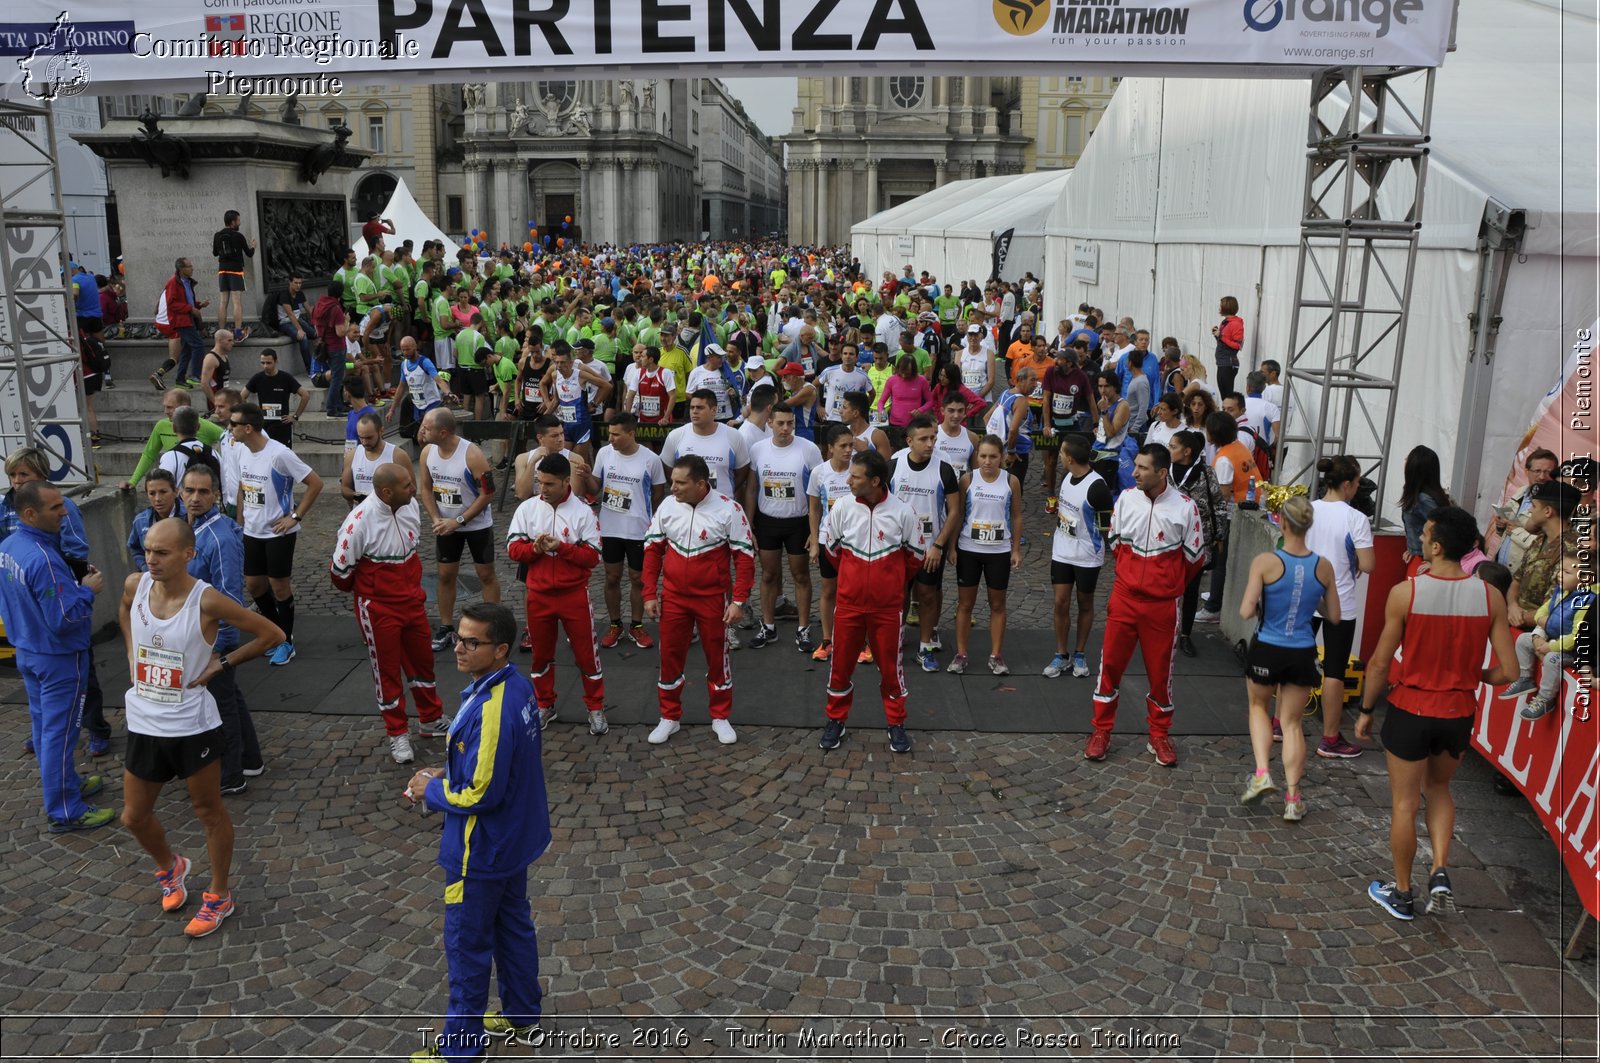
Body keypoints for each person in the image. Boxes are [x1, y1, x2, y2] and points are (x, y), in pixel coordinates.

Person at [118, 517, 283, 937]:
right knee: (134, 817)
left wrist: (222, 664)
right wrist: (132, 658)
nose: (151, 559)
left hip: (192, 725)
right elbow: (124, 612)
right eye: (149, 550)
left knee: (208, 812)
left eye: (162, 552)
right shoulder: (135, 586)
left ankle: (219, 896)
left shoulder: (206, 601)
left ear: (188, 555)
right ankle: (170, 867)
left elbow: (271, 633)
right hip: (144, 721)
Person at [405, 602, 550, 1063]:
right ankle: (523, 1014)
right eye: (458, 638)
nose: (459, 648)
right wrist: (446, 772)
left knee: (467, 948)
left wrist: (431, 792)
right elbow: (488, 767)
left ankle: (461, 1051)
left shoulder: (491, 707)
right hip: (514, 841)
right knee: (513, 929)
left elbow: (481, 793)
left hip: (480, 850)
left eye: (472, 642)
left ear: (500, 648)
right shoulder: (517, 686)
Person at [1358, 505, 1518, 921]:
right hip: (1457, 711)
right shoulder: (1490, 596)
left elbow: (1378, 664)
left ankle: (1404, 892)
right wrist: (1474, 673)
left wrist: (1366, 709)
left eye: (1426, 534)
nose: (1421, 539)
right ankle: (1441, 869)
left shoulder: (1407, 592)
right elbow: (1510, 672)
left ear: (1438, 545)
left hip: (1411, 709)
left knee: (1405, 804)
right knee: (1441, 790)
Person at [0, 481, 113, 831]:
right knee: (59, 735)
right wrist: (86, 590)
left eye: (62, 504)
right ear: (30, 514)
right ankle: (66, 810)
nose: (64, 512)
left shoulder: (8, 546)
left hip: (30, 653)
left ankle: (66, 786)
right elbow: (64, 619)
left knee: (45, 729)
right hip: (59, 658)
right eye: (55, 508)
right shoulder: (43, 559)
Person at [1088, 444, 1206, 767]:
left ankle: (1159, 735)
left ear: (1162, 472)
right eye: (1136, 466)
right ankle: (1100, 731)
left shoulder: (1186, 508)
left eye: (1142, 468)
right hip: (1124, 600)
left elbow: (1195, 561)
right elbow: (1115, 543)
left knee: (1160, 675)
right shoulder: (1125, 499)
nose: (1134, 472)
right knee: (1109, 668)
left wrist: (1166, 584)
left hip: (1162, 608)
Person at [331, 462, 452, 764]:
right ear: (387, 492)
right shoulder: (357, 522)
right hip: (379, 609)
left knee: (423, 661)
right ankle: (397, 733)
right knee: (387, 672)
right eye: (408, 485)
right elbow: (340, 573)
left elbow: (410, 550)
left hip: (412, 602)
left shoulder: (410, 506)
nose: (415, 490)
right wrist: (371, 594)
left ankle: (430, 718)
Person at [816, 449, 927, 754]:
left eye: (855, 475)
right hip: (849, 605)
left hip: (887, 608)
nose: (848, 480)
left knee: (891, 670)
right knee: (839, 668)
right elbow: (832, 550)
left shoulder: (903, 512)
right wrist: (856, 579)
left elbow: (915, 557)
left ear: (875, 481)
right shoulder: (842, 507)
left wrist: (886, 581)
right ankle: (835, 720)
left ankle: (896, 723)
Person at [1237, 497, 1340, 820]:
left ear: (1282, 523)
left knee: (1258, 707)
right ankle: (1293, 798)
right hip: (1302, 649)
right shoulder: (1323, 566)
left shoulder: (1266, 562)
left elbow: (1245, 609)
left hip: (1268, 645)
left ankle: (1262, 773)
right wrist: (1311, 596)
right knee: (1293, 723)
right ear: (1308, 527)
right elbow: (1334, 615)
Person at [641, 455, 755, 746]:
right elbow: (653, 550)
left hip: (713, 599)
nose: (673, 488)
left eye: (680, 483)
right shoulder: (668, 506)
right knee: (670, 656)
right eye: (672, 482)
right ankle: (669, 716)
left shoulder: (730, 509)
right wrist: (649, 594)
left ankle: (720, 716)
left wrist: (738, 601)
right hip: (675, 598)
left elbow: (744, 558)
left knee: (718, 656)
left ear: (701, 484)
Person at [506, 453, 607, 735]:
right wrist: (535, 549)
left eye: (549, 484)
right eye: (540, 483)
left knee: (587, 656)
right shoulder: (527, 509)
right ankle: (544, 704)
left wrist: (560, 548)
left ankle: (595, 708)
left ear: (566, 482)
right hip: (538, 596)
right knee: (540, 656)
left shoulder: (584, 512)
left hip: (573, 595)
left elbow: (593, 557)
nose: (543, 489)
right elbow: (513, 549)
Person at [180, 464, 263, 795]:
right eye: (189, 490)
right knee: (230, 698)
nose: (195, 498)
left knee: (220, 704)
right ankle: (249, 759)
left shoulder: (219, 538)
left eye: (203, 491)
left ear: (216, 495)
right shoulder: (193, 527)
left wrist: (222, 647)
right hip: (202, 636)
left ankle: (230, 776)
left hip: (213, 640)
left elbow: (230, 599)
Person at [230, 401, 324, 666]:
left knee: (279, 586)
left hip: (278, 532)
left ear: (248, 428)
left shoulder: (279, 454)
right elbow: (242, 487)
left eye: (234, 424)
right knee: (254, 585)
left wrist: (294, 517)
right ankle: (275, 632)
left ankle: (286, 641)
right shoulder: (241, 451)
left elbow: (315, 483)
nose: (230, 429)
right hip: (252, 531)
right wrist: (240, 520)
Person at [1304, 455, 1376, 759]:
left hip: (1305, 595)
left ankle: (1280, 723)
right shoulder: (1355, 518)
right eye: (1358, 482)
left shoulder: (1306, 509)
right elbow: (1370, 565)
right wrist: (1356, 559)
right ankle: (1330, 739)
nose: (1358, 488)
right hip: (1340, 602)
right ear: (1347, 484)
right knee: (1334, 670)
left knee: (1294, 662)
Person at [418, 407, 502, 651]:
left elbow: (488, 493)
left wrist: (460, 521)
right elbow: (425, 488)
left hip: (475, 525)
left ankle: (492, 625)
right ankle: (446, 626)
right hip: (446, 526)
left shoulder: (472, 454)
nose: (422, 430)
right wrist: (436, 517)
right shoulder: (427, 452)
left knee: (486, 574)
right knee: (445, 575)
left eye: (428, 427)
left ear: (443, 432)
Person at [745, 405, 823, 652]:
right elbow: (752, 488)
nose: (786, 428)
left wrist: (815, 530)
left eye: (791, 423)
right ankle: (768, 626)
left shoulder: (808, 449)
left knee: (801, 576)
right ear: (770, 422)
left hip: (798, 522)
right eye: (781, 423)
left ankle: (803, 629)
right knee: (768, 575)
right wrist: (748, 523)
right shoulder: (758, 450)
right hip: (768, 521)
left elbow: (820, 492)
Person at [891, 414, 964, 673]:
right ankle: (895, 642)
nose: (930, 443)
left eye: (932, 438)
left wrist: (939, 545)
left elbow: (954, 511)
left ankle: (925, 647)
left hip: (930, 546)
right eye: (923, 439)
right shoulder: (894, 464)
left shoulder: (944, 468)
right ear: (909, 441)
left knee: (927, 596)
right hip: (899, 547)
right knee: (898, 595)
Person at [949, 436, 1023, 676]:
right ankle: (961, 654)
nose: (988, 461)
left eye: (993, 456)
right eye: (983, 456)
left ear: (1001, 457)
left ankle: (996, 655)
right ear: (976, 456)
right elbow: (959, 514)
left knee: (998, 605)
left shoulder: (1011, 481)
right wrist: (951, 547)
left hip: (998, 552)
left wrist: (1015, 549)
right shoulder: (968, 480)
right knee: (965, 604)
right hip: (969, 549)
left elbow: (1017, 516)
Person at [592, 414, 667, 649]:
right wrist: (585, 478)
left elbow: (657, 493)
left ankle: (636, 625)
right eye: (609, 434)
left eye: (616, 434)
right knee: (612, 577)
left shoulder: (651, 459)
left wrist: (651, 522)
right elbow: (595, 488)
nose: (610, 438)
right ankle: (615, 624)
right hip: (610, 527)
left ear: (631, 434)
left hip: (637, 530)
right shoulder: (604, 454)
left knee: (638, 578)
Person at [1044, 437, 1113, 680]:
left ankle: (1080, 653)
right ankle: (1061, 654)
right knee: (1061, 602)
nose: (1059, 457)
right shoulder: (1066, 478)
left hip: (1086, 556)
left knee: (1085, 603)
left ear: (1070, 458)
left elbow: (1107, 526)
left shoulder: (1097, 487)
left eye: (1062, 453)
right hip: (1062, 551)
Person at [1499, 555, 1595, 720]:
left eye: (1566, 572)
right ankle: (1525, 679)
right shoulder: (1561, 590)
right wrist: (1541, 628)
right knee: (1523, 640)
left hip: (1569, 651)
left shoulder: (1586, 602)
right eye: (1560, 570)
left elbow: (1576, 637)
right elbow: (1542, 611)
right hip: (1550, 639)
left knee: (1551, 659)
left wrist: (1550, 647)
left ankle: (1545, 698)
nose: (1560, 575)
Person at [1195, 411, 1259, 622]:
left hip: (1232, 514)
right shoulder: (1238, 448)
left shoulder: (1223, 459)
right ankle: (1215, 595)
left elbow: (1221, 495)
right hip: (1249, 508)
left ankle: (1213, 606)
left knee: (1220, 561)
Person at [1168, 430, 1224, 659]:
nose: (1169, 449)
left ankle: (1185, 635)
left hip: (1198, 541)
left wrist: (1219, 536)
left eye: (1173, 446)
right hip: (1169, 540)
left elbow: (1218, 504)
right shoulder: (1165, 471)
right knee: (1167, 588)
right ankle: (1163, 633)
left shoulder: (1206, 472)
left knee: (1191, 590)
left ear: (1187, 451)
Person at [806, 426, 857, 663]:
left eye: (851, 445)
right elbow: (815, 508)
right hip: (828, 541)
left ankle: (859, 641)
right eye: (843, 446)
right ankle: (827, 639)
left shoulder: (859, 470)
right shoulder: (819, 473)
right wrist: (815, 541)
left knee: (856, 592)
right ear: (830, 448)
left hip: (856, 542)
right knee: (829, 590)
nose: (848, 450)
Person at [124, 389, 227, 490]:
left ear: (185, 406)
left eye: (169, 407)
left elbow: (229, 439)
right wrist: (133, 481)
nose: (165, 411)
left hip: (201, 487)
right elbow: (149, 454)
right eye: (165, 407)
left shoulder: (206, 426)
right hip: (176, 489)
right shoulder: (161, 426)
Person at [660, 389, 752, 496]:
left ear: (713, 410)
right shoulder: (675, 436)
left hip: (721, 506)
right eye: (692, 407)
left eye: (700, 408)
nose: (694, 411)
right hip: (686, 506)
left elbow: (742, 471)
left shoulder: (733, 436)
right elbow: (668, 470)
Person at [1491, 448, 1560, 569]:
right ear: (1526, 471)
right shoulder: (1521, 491)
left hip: (1524, 573)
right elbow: (1507, 529)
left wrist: (1517, 531)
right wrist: (1501, 526)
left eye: (1548, 472)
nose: (1542, 477)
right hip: (1500, 567)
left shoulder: (1557, 504)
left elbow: (1551, 546)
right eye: (1537, 471)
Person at [149, 258, 209, 391]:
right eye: (189, 266)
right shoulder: (173, 283)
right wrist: (190, 309)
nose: (192, 268)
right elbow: (172, 304)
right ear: (181, 269)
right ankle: (194, 375)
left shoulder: (187, 282)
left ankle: (180, 379)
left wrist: (198, 305)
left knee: (187, 350)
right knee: (198, 345)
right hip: (181, 321)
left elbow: (186, 301)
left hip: (188, 318)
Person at [1398, 445, 1451, 577]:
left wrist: (1435, 561)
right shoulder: (1422, 496)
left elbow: (1446, 530)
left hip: (1425, 562)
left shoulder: (1422, 499)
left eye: (1408, 459)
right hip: (1419, 557)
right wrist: (1412, 545)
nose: (1405, 461)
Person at [341, 411, 413, 506]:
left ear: (381, 431)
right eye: (361, 437)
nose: (364, 442)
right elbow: (345, 488)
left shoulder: (398, 455)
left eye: (369, 438)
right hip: (363, 516)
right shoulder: (352, 455)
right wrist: (355, 496)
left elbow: (412, 490)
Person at [245, 349, 310, 449]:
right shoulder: (258, 378)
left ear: (276, 361)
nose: (265, 366)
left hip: (282, 426)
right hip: (264, 427)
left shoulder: (285, 378)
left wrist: (295, 416)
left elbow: (305, 395)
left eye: (269, 363)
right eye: (263, 363)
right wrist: (251, 415)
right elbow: (242, 395)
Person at [986, 367, 1036, 489]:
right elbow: (1013, 430)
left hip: (1001, 452)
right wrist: (1011, 452)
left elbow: (987, 417)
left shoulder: (1006, 393)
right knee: (1014, 492)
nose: (1035, 385)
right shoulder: (1021, 401)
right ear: (1020, 380)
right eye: (1032, 380)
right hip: (1017, 454)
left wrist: (997, 445)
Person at [212, 209, 256, 340]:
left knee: (222, 302)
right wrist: (253, 246)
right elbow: (249, 254)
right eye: (238, 220)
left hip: (222, 270)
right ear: (233, 222)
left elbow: (215, 253)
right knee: (236, 302)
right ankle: (238, 333)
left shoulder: (217, 235)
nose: (239, 223)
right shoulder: (239, 236)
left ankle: (220, 333)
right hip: (235, 271)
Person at [128, 470, 183, 571]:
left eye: (163, 492)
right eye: (152, 493)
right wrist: (145, 568)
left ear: (175, 491)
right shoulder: (140, 521)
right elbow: (134, 547)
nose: (157, 498)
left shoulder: (190, 517)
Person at [391, 335, 451, 428]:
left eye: (408, 349)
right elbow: (401, 387)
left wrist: (449, 393)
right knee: (421, 438)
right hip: (418, 406)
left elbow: (439, 380)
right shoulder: (404, 365)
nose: (405, 353)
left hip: (432, 404)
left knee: (423, 435)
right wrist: (392, 409)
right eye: (403, 350)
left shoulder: (425, 362)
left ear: (415, 347)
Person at [1210, 295, 1243, 397]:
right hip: (1222, 362)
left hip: (1228, 363)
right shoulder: (1225, 322)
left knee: (1227, 395)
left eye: (1221, 306)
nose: (1219, 309)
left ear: (1226, 307)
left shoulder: (1236, 324)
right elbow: (1223, 343)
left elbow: (1238, 345)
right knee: (1224, 395)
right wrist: (1217, 335)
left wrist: (1221, 336)